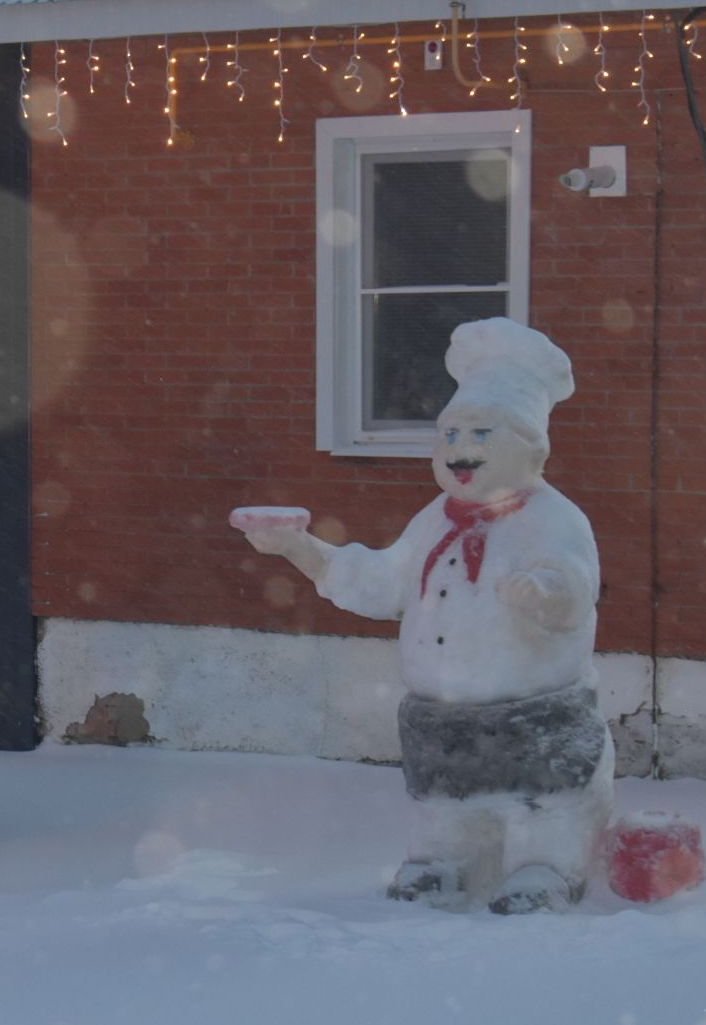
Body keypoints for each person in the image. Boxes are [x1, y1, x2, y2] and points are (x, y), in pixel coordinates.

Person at [238, 318, 610, 913]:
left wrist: (546, 594)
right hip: (442, 719)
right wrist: (301, 549)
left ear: (531, 447)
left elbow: (574, 585)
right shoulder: (435, 517)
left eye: (482, 433)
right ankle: (444, 863)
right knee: (446, 802)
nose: (462, 450)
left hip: (533, 711)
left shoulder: (553, 517)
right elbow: (383, 582)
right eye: (451, 433)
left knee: (542, 801)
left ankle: (546, 867)